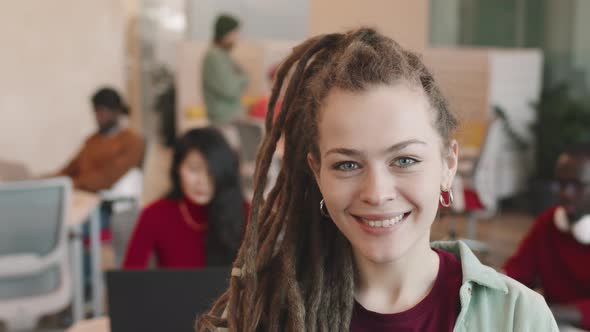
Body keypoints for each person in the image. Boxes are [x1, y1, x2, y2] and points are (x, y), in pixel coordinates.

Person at [197, 28, 558, 331]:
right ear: (317, 172)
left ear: (448, 164)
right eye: (347, 165)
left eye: (404, 159)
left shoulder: (519, 318)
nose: (377, 193)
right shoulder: (263, 312)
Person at [123, 127, 249, 269]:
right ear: (178, 168)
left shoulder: (246, 213)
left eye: (211, 172)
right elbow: (130, 279)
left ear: (223, 173)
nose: (202, 181)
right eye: (194, 169)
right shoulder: (155, 214)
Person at [504, 143, 590, 330]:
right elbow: (517, 272)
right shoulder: (548, 222)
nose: (565, 193)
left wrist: (547, 311)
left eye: (576, 185)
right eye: (561, 184)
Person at [56, 87, 144, 192]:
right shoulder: (92, 140)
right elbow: (68, 170)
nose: (98, 117)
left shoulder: (132, 141)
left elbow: (107, 178)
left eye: (102, 111)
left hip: (105, 202)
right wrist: (43, 181)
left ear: (116, 111)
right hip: (79, 194)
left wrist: (73, 183)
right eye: (95, 111)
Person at [201, 14, 249, 149]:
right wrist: (243, 78)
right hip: (223, 122)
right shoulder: (215, 57)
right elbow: (230, 90)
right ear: (225, 34)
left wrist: (240, 77)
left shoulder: (224, 55)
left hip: (229, 120)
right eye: (235, 34)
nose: (237, 38)